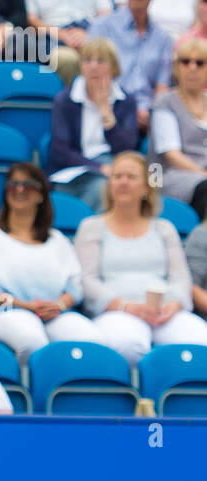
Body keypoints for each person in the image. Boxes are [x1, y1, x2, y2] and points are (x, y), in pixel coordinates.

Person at [73, 151, 207, 365]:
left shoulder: (164, 228)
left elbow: (181, 279)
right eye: (117, 176)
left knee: (200, 341)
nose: (123, 182)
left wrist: (173, 306)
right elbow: (88, 281)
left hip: (164, 312)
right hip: (116, 311)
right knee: (128, 345)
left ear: (146, 187)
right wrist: (127, 306)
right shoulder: (91, 227)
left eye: (131, 177)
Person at [0, 161, 98, 364]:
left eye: (28, 185)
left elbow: (75, 287)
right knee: (31, 340)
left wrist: (58, 305)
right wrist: (25, 306)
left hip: (55, 312)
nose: (19, 190)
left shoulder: (58, 240)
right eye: (13, 184)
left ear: (40, 195)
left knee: (91, 340)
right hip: (5, 312)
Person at [46, 37, 140, 212]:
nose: (93, 66)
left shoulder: (125, 101)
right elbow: (60, 150)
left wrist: (105, 111)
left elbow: (127, 146)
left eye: (101, 61)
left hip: (114, 168)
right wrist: (97, 167)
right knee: (103, 188)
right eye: (87, 60)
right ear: (81, 66)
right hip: (73, 169)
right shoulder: (65, 100)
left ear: (114, 67)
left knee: (111, 187)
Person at [88, 0, 174, 128]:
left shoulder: (163, 38)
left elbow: (162, 87)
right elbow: (93, 78)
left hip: (148, 118)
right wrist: (127, 110)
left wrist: (153, 114)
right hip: (108, 111)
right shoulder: (102, 28)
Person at [151, 37, 207, 218]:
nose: (192, 68)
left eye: (200, 63)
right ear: (176, 68)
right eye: (185, 62)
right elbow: (172, 155)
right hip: (166, 175)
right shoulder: (165, 101)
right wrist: (203, 173)